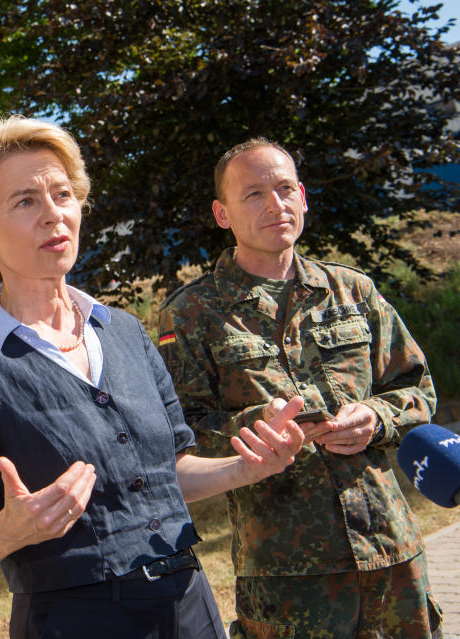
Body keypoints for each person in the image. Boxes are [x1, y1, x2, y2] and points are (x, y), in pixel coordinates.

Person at [0, 115, 307, 639]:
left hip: (188, 601)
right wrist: (7, 531)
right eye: (25, 201)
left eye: (62, 194)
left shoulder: (122, 330)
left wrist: (248, 467)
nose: (53, 216)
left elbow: (173, 469)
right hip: (77, 620)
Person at [158, 138, 442, 638]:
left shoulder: (354, 290)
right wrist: (255, 430)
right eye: (253, 194)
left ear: (303, 197)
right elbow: (178, 433)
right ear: (222, 214)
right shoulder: (191, 315)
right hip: (287, 575)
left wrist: (377, 419)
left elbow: (415, 387)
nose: (276, 205)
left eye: (286, 188)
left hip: (391, 553)